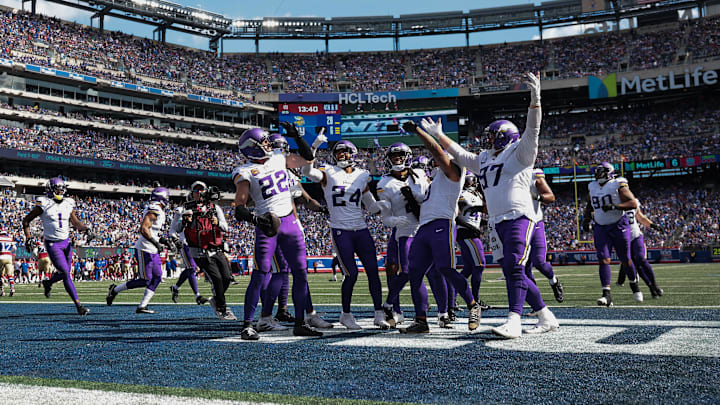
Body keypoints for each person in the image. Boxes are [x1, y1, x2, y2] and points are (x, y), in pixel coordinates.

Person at [429, 72, 559, 338]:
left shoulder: (520, 152)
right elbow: (462, 156)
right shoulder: (486, 158)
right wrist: (440, 137)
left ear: (503, 136)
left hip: (520, 216)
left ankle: (514, 319)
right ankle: (546, 316)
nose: (487, 140)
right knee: (516, 269)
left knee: (513, 265)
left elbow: (533, 128)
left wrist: (536, 99)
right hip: (498, 221)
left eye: (492, 136)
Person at [233, 126, 327, 340]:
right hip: (268, 226)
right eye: (264, 141)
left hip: (290, 222)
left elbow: (308, 157)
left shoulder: (278, 157)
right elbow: (239, 208)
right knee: (260, 273)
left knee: (301, 273)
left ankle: (301, 322)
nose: (269, 144)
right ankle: (248, 325)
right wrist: (258, 220)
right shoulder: (245, 171)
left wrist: (298, 137)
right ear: (252, 148)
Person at [391, 120, 481, 334]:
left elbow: (436, 150)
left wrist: (420, 132)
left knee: (446, 268)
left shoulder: (454, 171)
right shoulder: (436, 180)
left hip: (442, 224)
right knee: (414, 273)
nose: (434, 161)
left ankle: (472, 305)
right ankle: (421, 320)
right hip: (425, 227)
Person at [302, 139, 389, 330]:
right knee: (351, 274)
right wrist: (314, 146)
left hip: (361, 229)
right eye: (339, 152)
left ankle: (378, 313)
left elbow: (371, 205)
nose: (342, 155)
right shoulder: (328, 172)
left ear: (353, 154)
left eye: (346, 152)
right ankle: (346, 314)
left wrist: (384, 206)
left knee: (374, 271)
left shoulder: (362, 175)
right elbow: (307, 172)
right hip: (341, 229)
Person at [21, 177, 93, 315]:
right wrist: (28, 237)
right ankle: (79, 306)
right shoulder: (43, 203)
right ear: (50, 190)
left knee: (65, 272)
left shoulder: (68, 203)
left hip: (66, 243)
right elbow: (26, 220)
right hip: (53, 244)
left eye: (61, 188)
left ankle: (48, 283)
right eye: (57, 189)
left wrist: (87, 229)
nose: (60, 191)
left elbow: (76, 223)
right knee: (65, 274)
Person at [376, 143, 429, 327]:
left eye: (400, 155)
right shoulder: (384, 183)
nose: (397, 159)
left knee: (424, 273)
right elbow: (386, 216)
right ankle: (389, 304)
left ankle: (429, 315)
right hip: (405, 230)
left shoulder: (420, 175)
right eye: (393, 156)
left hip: (425, 227)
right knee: (406, 271)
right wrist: (394, 221)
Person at [583, 162, 643, 307]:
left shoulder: (618, 184)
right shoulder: (592, 186)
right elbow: (590, 204)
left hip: (618, 225)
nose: (597, 175)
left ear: (608, 172)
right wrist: (586, 218)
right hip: (600, 227)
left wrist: (615, 206)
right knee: (603, 259)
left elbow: (632, 203)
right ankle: (607, 295)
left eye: (600, 172)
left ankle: (634, 285)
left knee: (626, 259)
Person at [106, 187, 172, 314]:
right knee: (145, 280)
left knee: (157, 277)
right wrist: (156, 243)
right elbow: (144, 229)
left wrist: (165, 241)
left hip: (153, 249)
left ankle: (142, 306)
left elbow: (154, 232)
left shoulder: (158, 210)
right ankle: (114, 290)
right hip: (145, 249)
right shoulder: (155, 209)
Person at [179, 183, 234, 320]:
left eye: (202, 190)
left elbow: (225, 228)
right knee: (217, 279)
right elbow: (175, 229)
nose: (200, 192)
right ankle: (222, 308)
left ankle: (216, 299)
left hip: (216, 248)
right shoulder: (185, 209)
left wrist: (217, 223)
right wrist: (184, 222)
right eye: (196, 190)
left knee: (227, 278)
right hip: (199, 251)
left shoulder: (215, 208)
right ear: (192, 193)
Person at [524, 168, 564, 304]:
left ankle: (554, 281)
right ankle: (536, 303)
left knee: (539, 262)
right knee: (524, 267)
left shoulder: (533, 175)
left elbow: (550, 197)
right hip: (516, 224)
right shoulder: (505, 175)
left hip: (534, 223)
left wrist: (538, 197)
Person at [169, 181, 209, 306]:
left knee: (190, 269)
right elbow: (172, 229)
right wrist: (176, 240)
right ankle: (197, 296)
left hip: (197, 243)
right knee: (191, 268)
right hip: (185, 243)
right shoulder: (181, 210)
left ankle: (175, 287)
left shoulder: (202, 210)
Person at [615, 200, 664, 298]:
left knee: (640, 258)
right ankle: (651, 287)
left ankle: (654, 284)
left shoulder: (632, 201)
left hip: (636, 235)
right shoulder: (613, 203)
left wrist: (652, 225)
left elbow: (640, 217)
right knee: (636, 266)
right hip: (623, 239)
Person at [455, 172, 488, 310]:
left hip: (471, 231)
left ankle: (452, 297)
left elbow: (481, 212)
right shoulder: (463, 194)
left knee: (469, 268)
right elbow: (456, 215)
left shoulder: (477, 195)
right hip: (466, 232)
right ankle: (475, 299)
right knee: (479, 265)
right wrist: (470, 227)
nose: (471, 182)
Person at [0, 230, 16, 296]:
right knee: (10, 274)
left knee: (0, 274)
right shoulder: (10, 238)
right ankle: (12, 288)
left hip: (1, 256)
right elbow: (14, 248)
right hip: (9, 257)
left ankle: (2, 291)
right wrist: (9, 252)